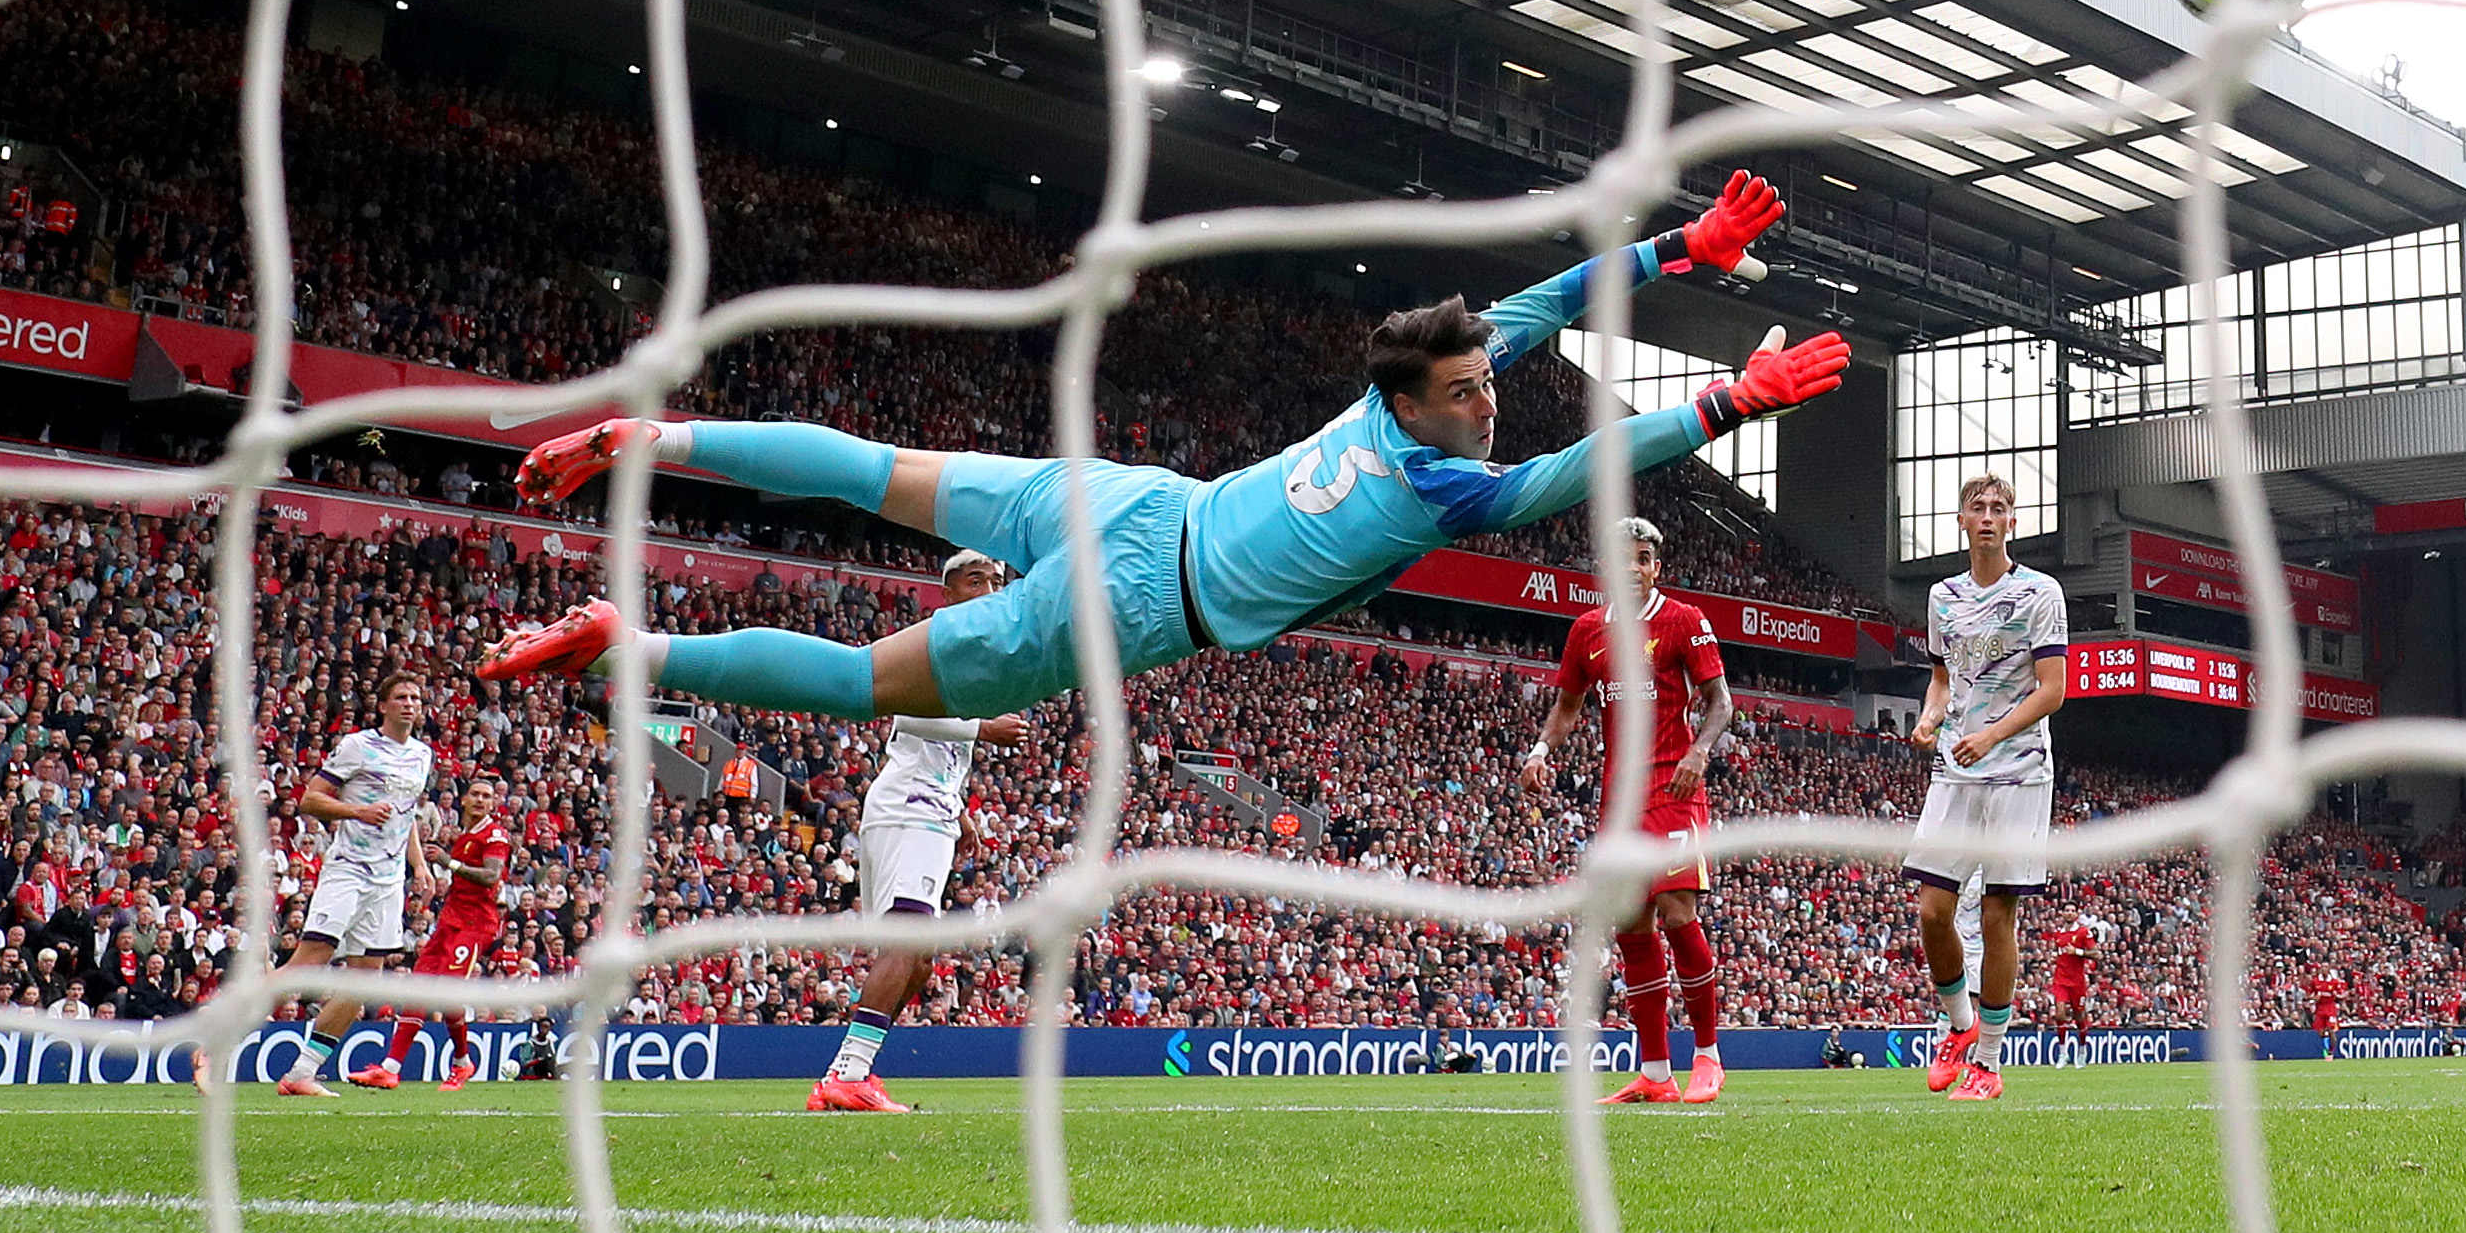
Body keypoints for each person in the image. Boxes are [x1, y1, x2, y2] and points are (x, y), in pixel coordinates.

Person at [478, 172, 1846, 725]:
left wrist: (1680, 250)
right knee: (861, 680)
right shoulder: (1448, 483)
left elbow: (1538, 309)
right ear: (1420, 402)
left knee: (876, 466)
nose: (1493, 397)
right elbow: (1578, 474)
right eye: (1472, 388)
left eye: (1487, 379)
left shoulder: (1395, 396)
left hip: (1140, 500)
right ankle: (632, 639)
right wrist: (1725, 404)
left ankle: (651, 433)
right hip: (1140, 590)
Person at [1520, 517, 1732, 1106]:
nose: (1633, 569)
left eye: (1644, 558)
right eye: (1624, 559)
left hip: (1673, 786)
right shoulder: (1587, 631)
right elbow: (1567, 706)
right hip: (1618, 801)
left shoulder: (1683, 621)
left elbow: (1721, 702)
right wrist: (1541, 750)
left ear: (1655, 567)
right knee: (1632, 924)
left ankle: (1709, 1057)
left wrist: (1699, 750)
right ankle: (1656, 1073)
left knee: (1674, 906)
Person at [810, 548, 1030, 1113]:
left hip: (924, 806)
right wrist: (984, 728)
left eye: (994, 580)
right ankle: (850, 1074)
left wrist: (958, 809)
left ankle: (845, 1072)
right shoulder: (937, 638)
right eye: (973, 579)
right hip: (910, 809)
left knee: (920, 959)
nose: (986, 588)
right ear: (948, 592)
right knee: (908, 943)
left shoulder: (977, 651)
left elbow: (930, 747)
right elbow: (902, 710)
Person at [1904, 475, 2066, 1104]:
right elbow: (1944, 682)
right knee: (1931, 912)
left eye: (2001, 509)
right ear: (1962, 521)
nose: (1990, 517)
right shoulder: (1942, 597)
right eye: (1980, 508)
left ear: (2014, 523)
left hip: (2019, 771)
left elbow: (2052, 690)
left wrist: (1992, 734)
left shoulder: (2039, 593)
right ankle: (1961, 1027)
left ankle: (1989, 1065)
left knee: (1999, 915)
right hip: (1955, 770)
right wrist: (1929, 717)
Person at [200, 671, 435, 1097]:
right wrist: (356, 812)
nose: (409, 703)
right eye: (400, 696)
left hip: (388, 881)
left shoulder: (422, 755)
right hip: (349, 869)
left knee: (364, 984)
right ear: (383, 706)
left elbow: (407, 815)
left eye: (415, 697)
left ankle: (301, 1073)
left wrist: (419, 866)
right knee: (309, 963)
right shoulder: (358, 746)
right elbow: (310, 799)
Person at [360, 771, 513, 1091]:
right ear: (465, 799)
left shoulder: (495, 835)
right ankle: (390, 1068)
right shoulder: (464, 835)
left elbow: (490, 876)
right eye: (476, 794)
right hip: (450, 921)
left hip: (476, 925)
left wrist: (448, 863)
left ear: (494, 802)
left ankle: (461, 1062)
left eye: (488, 796)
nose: (481, 800)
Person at [2046, 923, 2094, 1064]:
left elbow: (2097, 953)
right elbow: (2058, 952)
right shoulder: (2058, 934)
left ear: (2076, 914)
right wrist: (2054, 957)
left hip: (2077, 982)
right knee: (2060, 1013)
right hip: (2060, 979)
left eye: (2072, 911)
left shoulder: (2083, 932)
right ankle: (2062, 1053)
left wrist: (2078, 952)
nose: (2069, 913)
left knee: (2079, 1017)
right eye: (2067, 910)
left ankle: (2082, 1051)